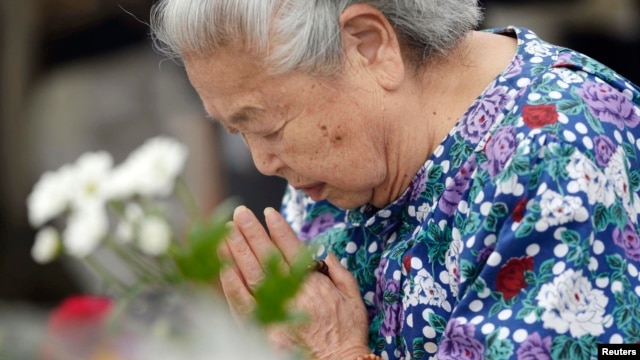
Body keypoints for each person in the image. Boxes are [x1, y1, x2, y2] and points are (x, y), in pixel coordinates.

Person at [150, 1, 640, 359]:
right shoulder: (344, 166)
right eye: (240, 134)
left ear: (369, 44)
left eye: (269, 127)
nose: (262, 162)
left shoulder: (562, 153)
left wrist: (335, 352)